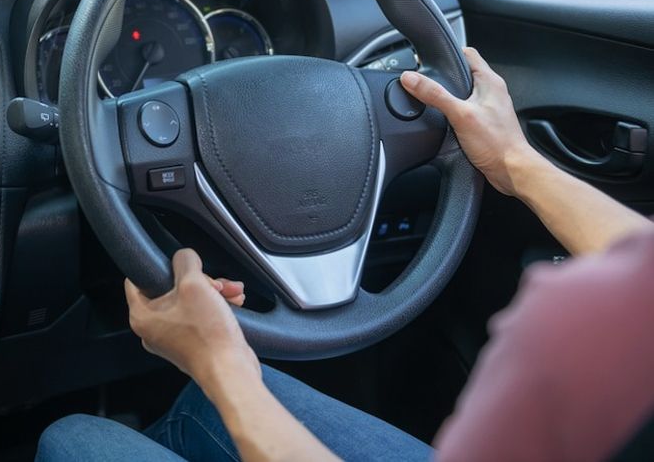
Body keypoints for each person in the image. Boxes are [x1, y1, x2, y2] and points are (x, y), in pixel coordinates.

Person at [37, 48, 654, 462]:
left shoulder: (576, 322)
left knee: (76, 439)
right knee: (204, 405)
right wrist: (512, 161)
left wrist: (219, 360)